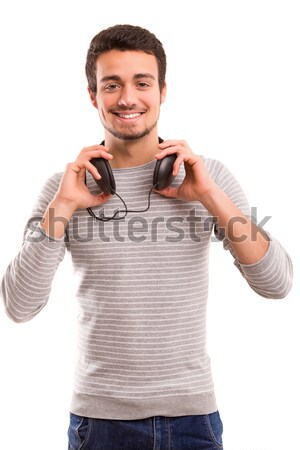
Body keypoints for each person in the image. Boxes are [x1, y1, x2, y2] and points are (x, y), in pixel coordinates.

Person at [1, 24, 293, 450]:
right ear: (93, 95)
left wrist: (210, 196)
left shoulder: (207, 177)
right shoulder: (63, 188)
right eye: (111, 84)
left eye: (142, 82)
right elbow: (19, 307)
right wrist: (62, 208)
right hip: (100, 421)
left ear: (162, 91)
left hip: (194, 419)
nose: (127, 98)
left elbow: (278, 283)